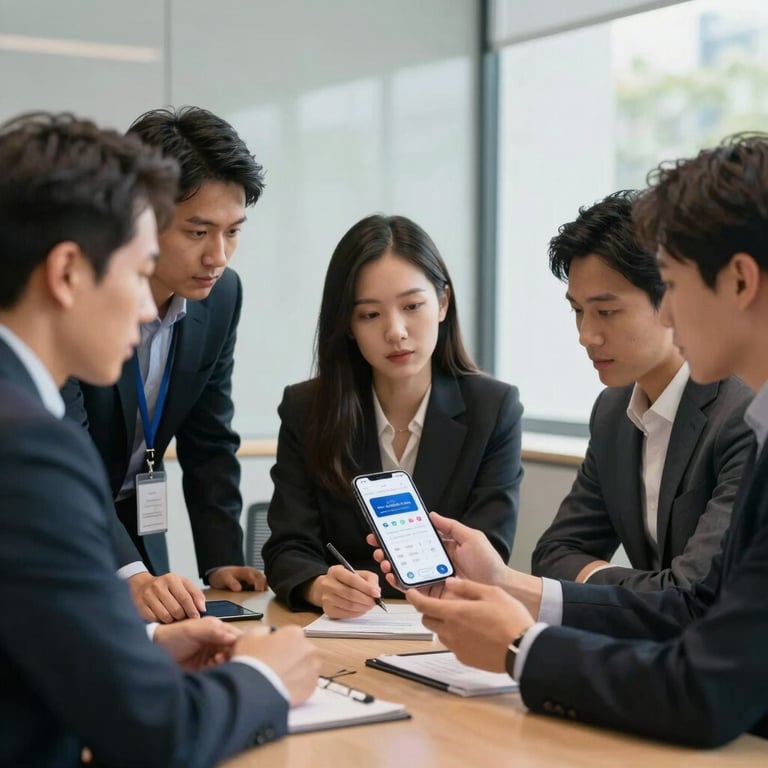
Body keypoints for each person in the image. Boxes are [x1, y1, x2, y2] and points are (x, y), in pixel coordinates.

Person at [371, 135, 768, 747]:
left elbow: (699, 638)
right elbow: (574, 557)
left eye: (674, 286)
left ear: (739, 281)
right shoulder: (619, 412)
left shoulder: (745, 421)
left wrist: (520, 644)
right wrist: (505, 584)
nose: (667, 315)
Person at [0, 111, 319, 767]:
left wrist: (138, 643)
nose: (151, 309)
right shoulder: (28, 448)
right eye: (138, 267)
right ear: (66, 273)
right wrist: (265, 677)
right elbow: (151, 731)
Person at [62, 106, 267, 623]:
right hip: (55, 519)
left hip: (135, 516)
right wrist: (129, 573)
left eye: (233, 231)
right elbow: (69, 455)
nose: (219, 256)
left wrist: (222, 556)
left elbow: (209, 435)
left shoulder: (221, 297)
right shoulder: (77, 297)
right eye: (198, 233)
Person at [263, 214, 523, 617]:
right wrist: (320, 587)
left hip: (450, 628)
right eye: (370, 315)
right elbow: (287, 547)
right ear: (347, 324)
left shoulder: (494, 408)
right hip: (342, 629)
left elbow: (487, 551)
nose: (396, 331)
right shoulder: (307, 409)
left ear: (442, 303)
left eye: (412, 306)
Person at [531, 191, 752, 590]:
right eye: (577, 311)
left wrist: (597, 579)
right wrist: (652, 586)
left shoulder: (743, 414)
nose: (586, 336)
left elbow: (695, 594)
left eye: (607, 312)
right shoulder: (614, 411)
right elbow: (553, 553)